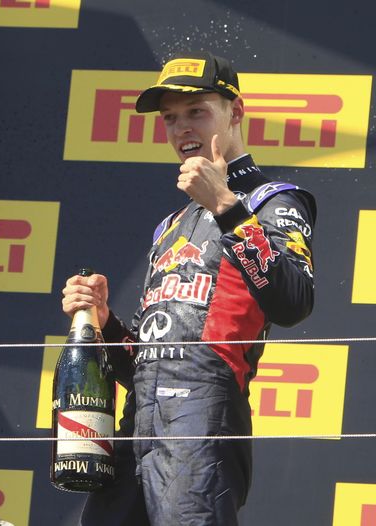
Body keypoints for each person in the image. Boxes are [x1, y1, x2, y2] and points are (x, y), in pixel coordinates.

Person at [62, 52, 316, 526]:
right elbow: (140, 364)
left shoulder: (273, 201)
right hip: (136, 426)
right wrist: (103, 320)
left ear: (235, 112)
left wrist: (224, 203)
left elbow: (293, 301)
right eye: (170, 119)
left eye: (197, 112)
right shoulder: (170, 227)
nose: (182, 129)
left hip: (205, 421)